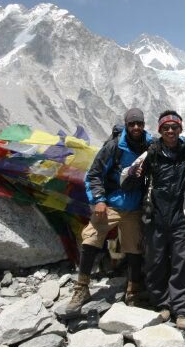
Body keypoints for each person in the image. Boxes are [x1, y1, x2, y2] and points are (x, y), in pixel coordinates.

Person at [65, 108, 152, 313]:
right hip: (111, 204)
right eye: (132, 124)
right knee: (91, 238)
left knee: (134, 249)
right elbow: (94, 175)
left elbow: (174, 142)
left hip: (135, 207)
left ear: (144, 125)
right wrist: (99, 201)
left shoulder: (150, 145)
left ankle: (133, 289)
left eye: (139, 123)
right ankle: (82, 287)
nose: (136, 127)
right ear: (127, 125)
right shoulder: (114, 147)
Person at [123, 110, 185, 330]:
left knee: (181, 262)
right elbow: (126, 181)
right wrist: (133, 176)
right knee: (155, 262)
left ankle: (182, 307)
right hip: (154, 214)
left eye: (175, 127)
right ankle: (162, 303)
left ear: (180, 129)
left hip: (177, 214)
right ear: (160, 130)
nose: (170, 131)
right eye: (166, 128)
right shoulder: (151, 153)